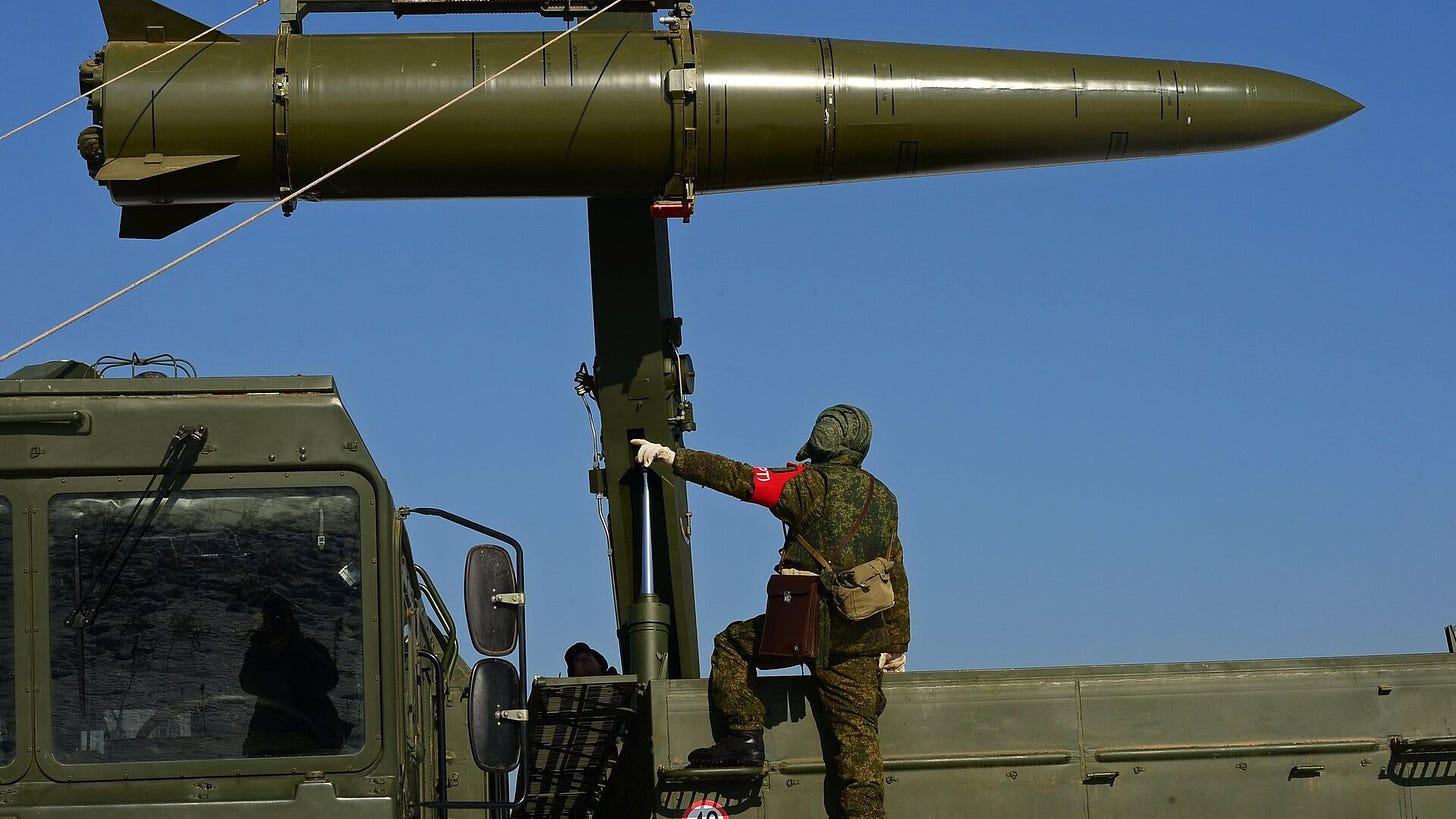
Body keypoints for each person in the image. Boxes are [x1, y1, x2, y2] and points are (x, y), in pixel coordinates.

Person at [632, 403, 910, 819]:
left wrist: (673, 457)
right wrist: (897, 642)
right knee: (858, 746)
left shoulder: (808, 485)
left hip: (805, 625)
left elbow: (740, 478)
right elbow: (896, 573)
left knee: (732, 644)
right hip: (861, 635)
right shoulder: (884, 498)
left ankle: (744, 735)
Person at [240, 594, 350, 757]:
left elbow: (329, 679)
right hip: (269, 732)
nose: (273, 627)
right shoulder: (258, 653)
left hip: (310, 732)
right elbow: (248, 683)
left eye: (279, 621)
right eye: (268, 621)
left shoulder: (310, 650)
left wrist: (299, 650)